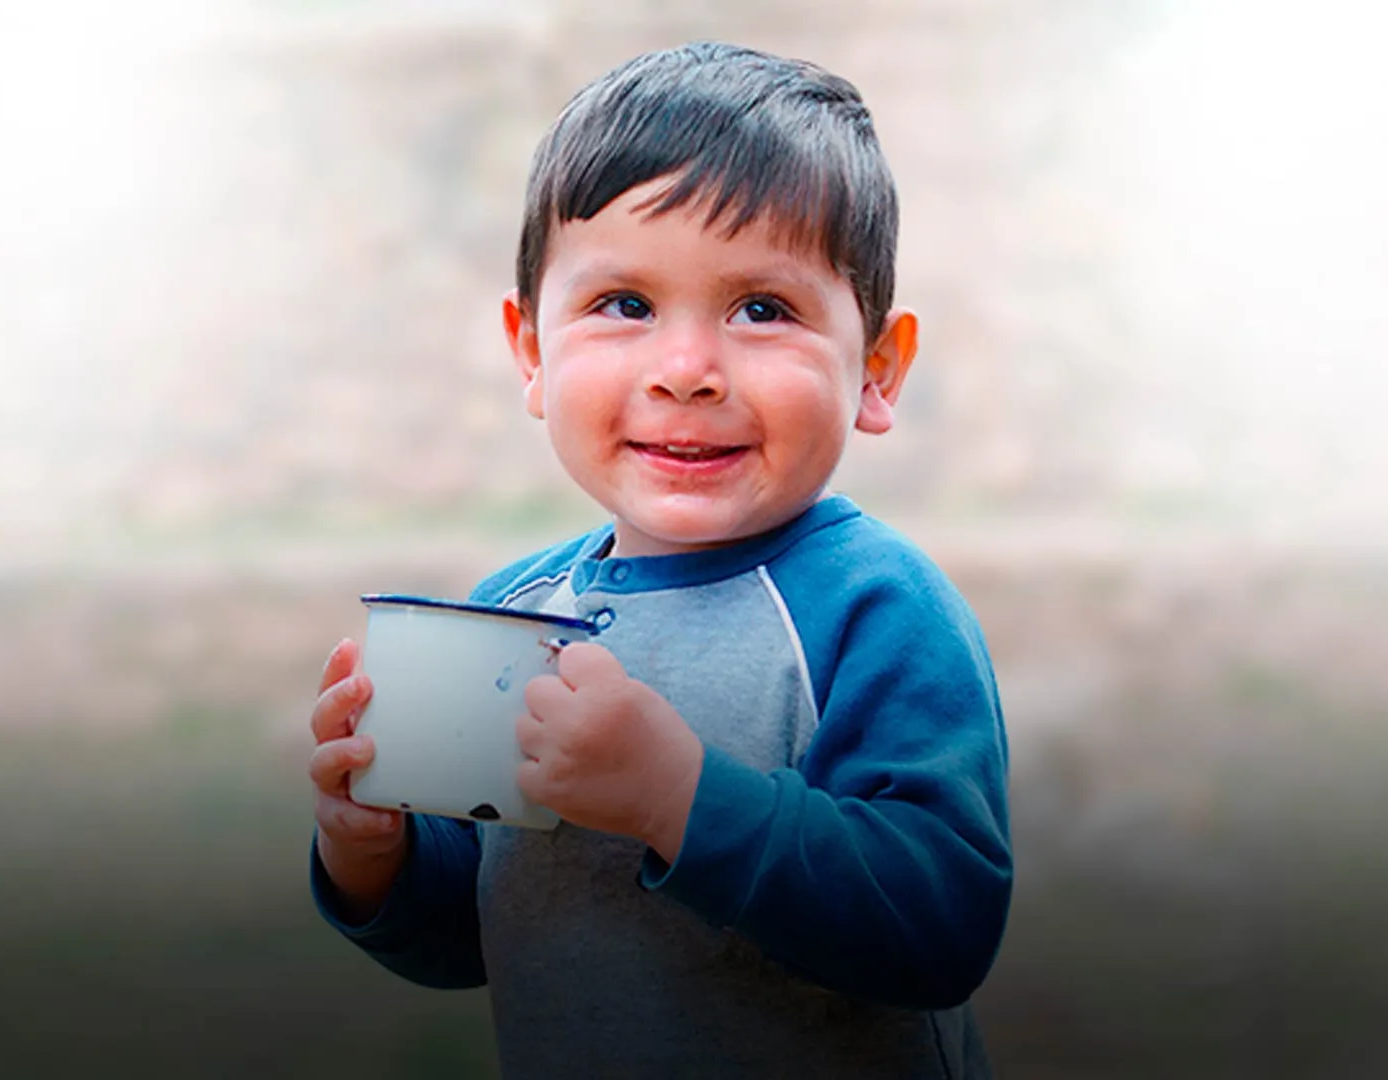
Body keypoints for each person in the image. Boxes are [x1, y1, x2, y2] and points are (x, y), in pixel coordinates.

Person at [306, 41, 1011, 1079]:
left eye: (762, 309)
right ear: (533, 354)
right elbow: (477, 934)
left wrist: (675, 798)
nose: (686, 371)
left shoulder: (873, 608)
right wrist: (375, 855)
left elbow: (940, 927)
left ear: (877, 368)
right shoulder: (518, 615)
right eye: (625, 305)